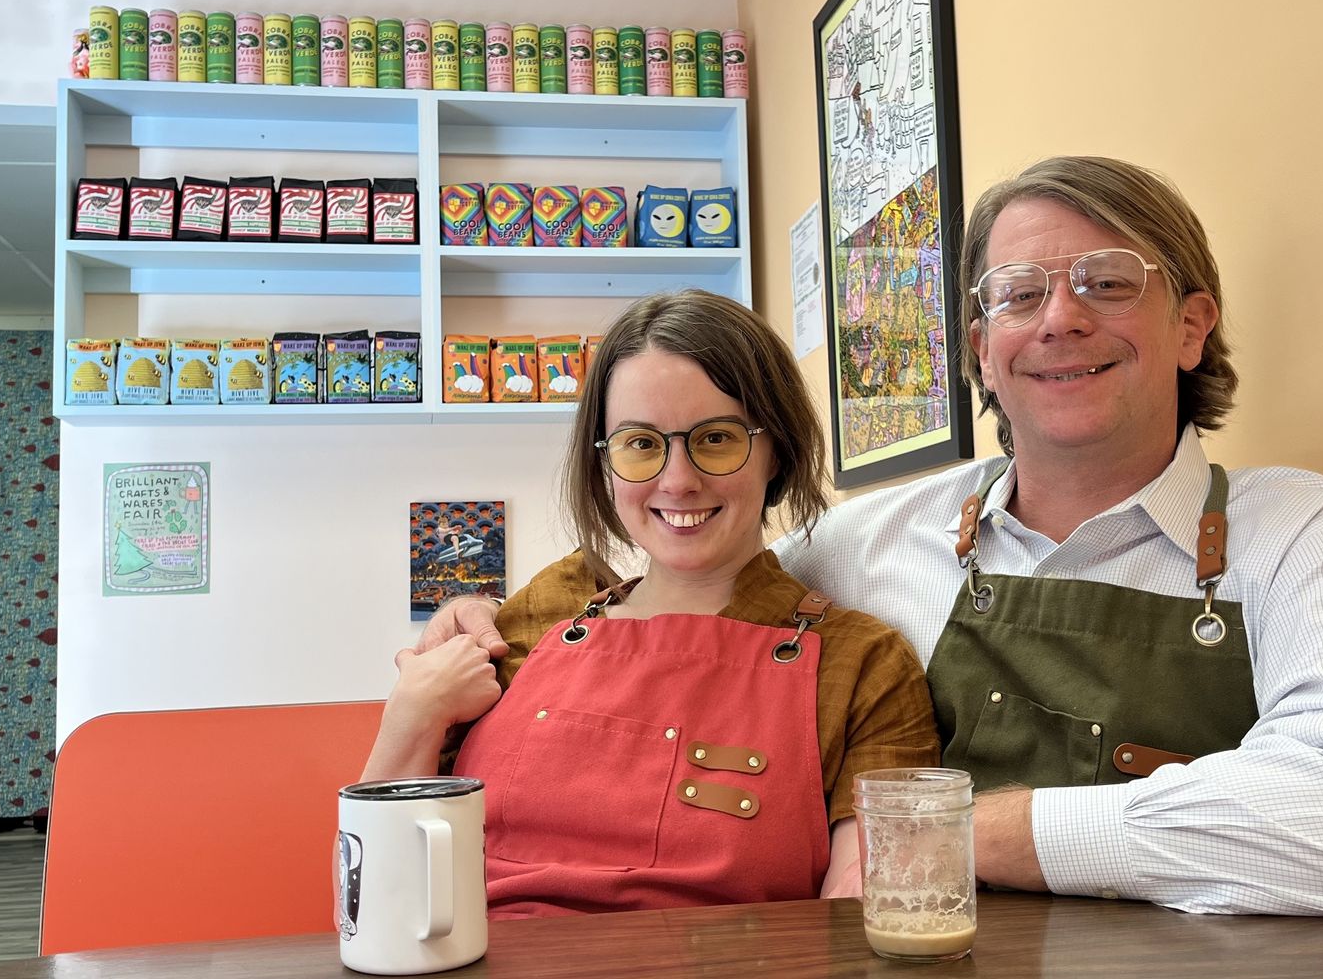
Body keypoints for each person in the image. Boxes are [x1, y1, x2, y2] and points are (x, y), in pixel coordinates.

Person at [426, 156, 1323, 917]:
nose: (1057, 319)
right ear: (980, 345)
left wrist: (974, 833)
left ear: (1192, 324)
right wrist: (488, 626)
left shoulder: (1304, 536)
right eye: (1017, 295)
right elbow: (691, 580)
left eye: (1106, 282)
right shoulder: (866, 543)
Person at [365, 288, 938, 919]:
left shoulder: (862, 665)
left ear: (776, 450)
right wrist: (412, 712)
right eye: (640, 443)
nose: (677, 479)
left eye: (716, 438)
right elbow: (379, 900)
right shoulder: (542, 613)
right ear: (605, 465)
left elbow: (866, 908)